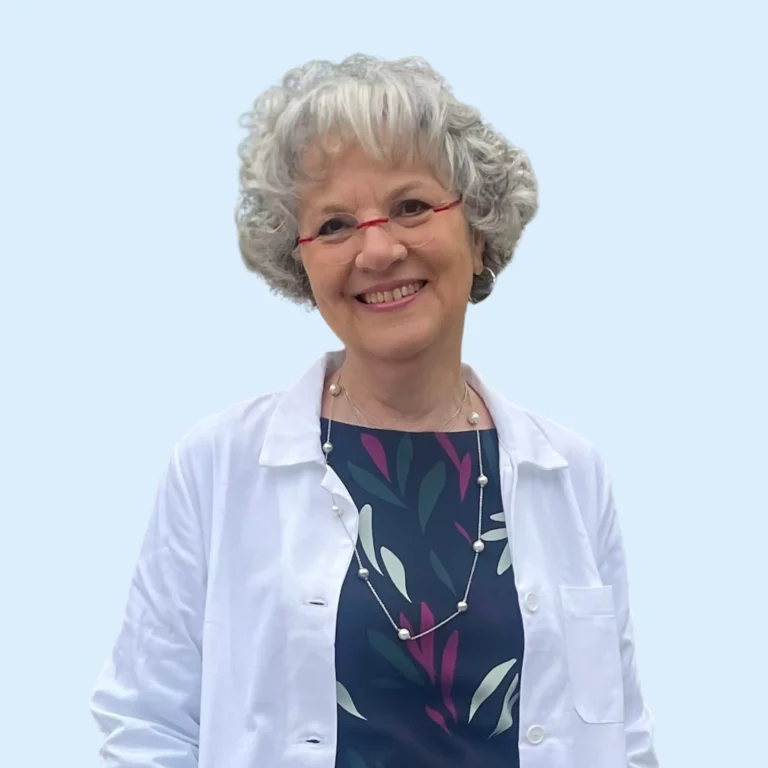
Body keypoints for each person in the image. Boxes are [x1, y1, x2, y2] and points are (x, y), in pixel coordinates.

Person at [90, 54, 659, 767]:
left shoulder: (572, 472)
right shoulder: (217, 465)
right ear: (300, 265)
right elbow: (145, 726)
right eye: (334, 225)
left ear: (479, 231)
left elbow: (624, 736)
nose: (379, 250)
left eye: (412, 207)